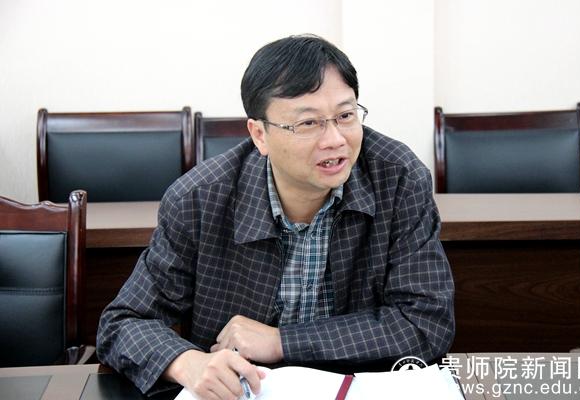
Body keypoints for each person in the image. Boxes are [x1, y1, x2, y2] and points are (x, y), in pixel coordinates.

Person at [97, 34, 454, 399]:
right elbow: (123, 323)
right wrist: (188, 363)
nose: (335, 139)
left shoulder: (398, 179)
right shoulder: (199, 200)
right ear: (260, 134)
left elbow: (426, 320)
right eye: (308, 123)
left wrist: (282, 341)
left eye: (345, 116)